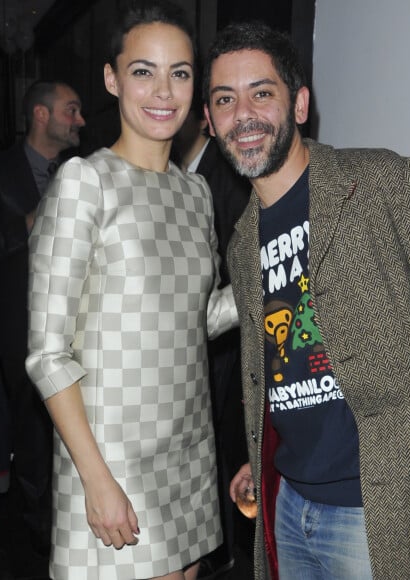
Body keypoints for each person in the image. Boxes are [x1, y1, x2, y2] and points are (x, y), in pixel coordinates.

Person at [203, 21, 410, 580]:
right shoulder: (244, 240)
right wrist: (260, 454)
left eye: (261, 93)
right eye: (225, 99)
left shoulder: (383, 181)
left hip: (388, 506)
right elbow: (278, 362)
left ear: (298, 104)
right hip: (289, 504)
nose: (243, 114)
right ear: (211, 120)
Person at [25, 2, 238, 579]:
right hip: (112, 458)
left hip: (189, 452)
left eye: (180, 72)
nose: (163, 90)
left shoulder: (194, 195)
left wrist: (277, 276)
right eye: (143, 71)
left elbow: (198, 318)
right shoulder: (84, 182)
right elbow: (47, 355)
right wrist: (95, 479)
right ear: (112, 79)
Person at [0, 79, 85, 557]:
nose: (81, 120)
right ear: (41, 115)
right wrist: (30, 221)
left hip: (80, 323)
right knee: (31, 427)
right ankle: (40, 524)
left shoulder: (83, 170)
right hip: (19, 327)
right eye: (71, 110)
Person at [172, 89, 253, 578]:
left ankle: (220, 550)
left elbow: (239, 265)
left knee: (217, 444)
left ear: (202, 120)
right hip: (187, 345)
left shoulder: (223, 177)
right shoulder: (176, 180)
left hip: (222, 339)